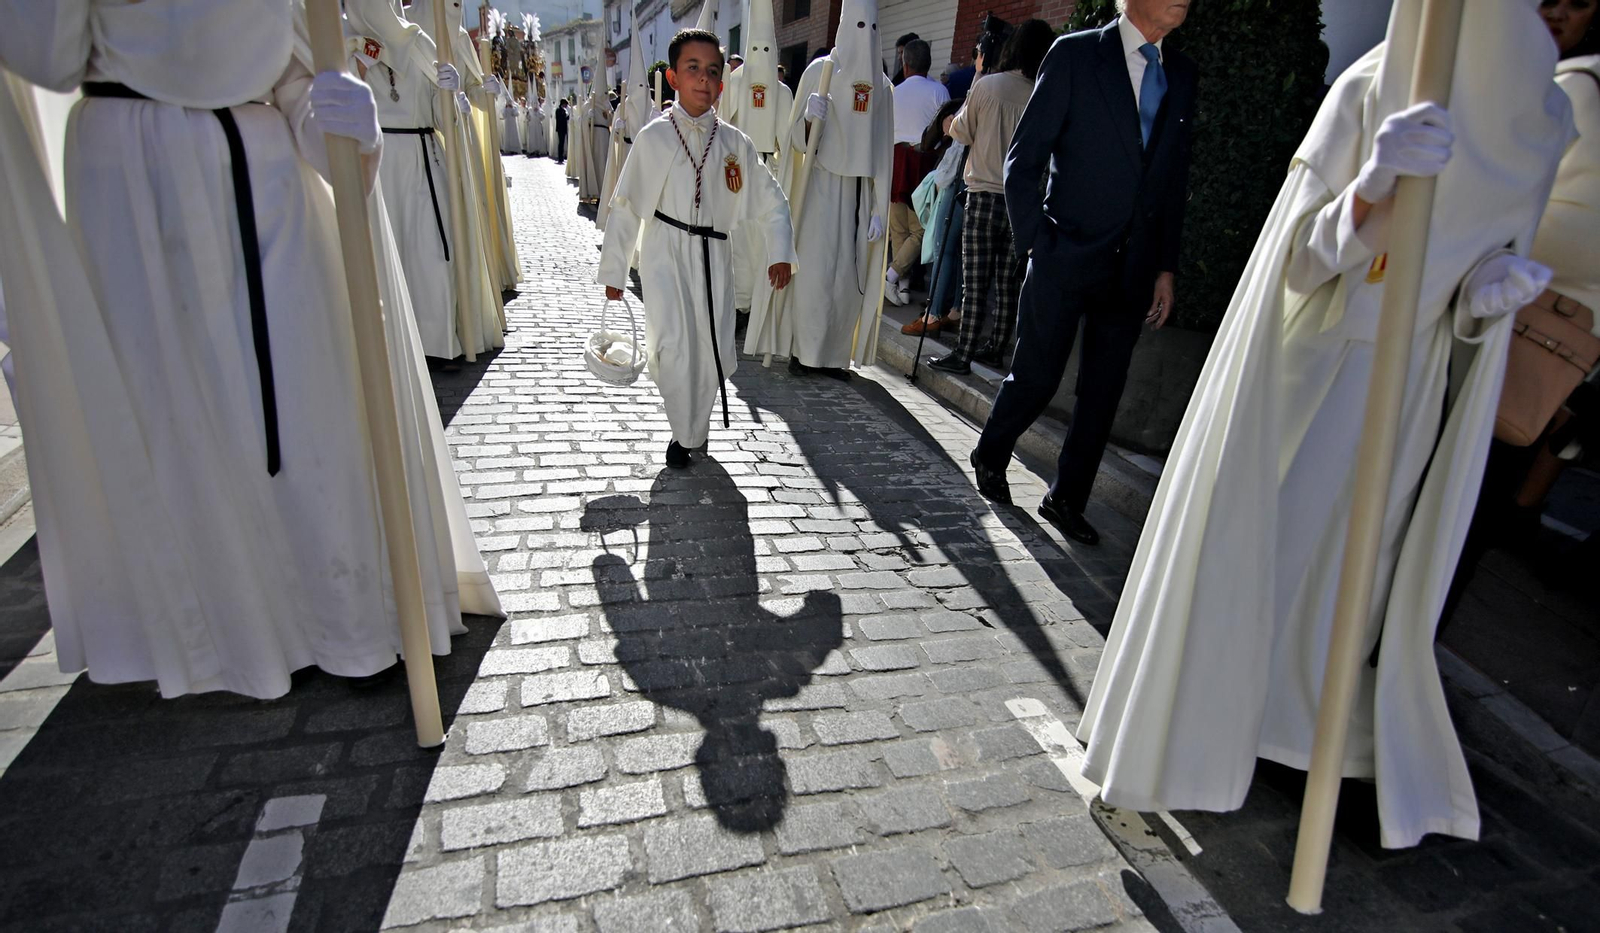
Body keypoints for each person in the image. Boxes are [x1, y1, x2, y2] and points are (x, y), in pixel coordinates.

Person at [1078, 1, 1571, 851]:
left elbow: (1472, 270)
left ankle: (1301, 740)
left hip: (1412, 396)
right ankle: (1198, 736)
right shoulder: (1372, 86)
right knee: (1265, 560)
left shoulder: (1537, 119)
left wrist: (1483, 305)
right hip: (1318, 378)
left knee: (1356, 582)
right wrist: (1366, 194)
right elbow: (1298, 261)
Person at [0, 0, 503, 699]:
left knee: (307, 412)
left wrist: (340, 127)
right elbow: (46, 51)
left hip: (262, 181)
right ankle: (231, 628)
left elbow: (297, 77)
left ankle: (347, 621)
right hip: (127, 183)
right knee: (174, 421)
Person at [969, 3, 1197, 546]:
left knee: (1102, 391)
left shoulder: (1183, 74)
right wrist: (1036, 245)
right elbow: (1023, 159)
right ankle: (991, 449)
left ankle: (1066, 497)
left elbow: (1171, 180)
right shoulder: (1075, 55)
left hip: (1134, 266)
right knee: (1038, 374)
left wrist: (1165, 267)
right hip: (1063, 251)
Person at [1442, 0, 1600, 622]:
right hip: (1517, 333)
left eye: (1579, 2)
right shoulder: (1568, 88)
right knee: (1455, 514)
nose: (1557, 11)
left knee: (1460, 516)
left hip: (1530, 344)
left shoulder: (1572, 89)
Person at [598, 29, 796, 468]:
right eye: (693, 69)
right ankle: (682, 430)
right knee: (671, 346)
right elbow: (628, 206)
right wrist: (614, 272)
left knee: (708, 348)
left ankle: (694, 430)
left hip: (713, 257)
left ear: (722, 83)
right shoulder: (653, 138)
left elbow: (771, 199)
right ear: (672, 76)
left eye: (712, 72)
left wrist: (780, 250)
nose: (703, 80)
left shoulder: (734, 144)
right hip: (664, 253)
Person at [347, 0, 503, 365]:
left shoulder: (418, 43)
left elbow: (439, 113)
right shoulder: (346, 41)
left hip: (422, 157)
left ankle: (436, 342)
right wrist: (356, 66)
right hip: (375, 160)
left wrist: (451, 97)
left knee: (433, 253)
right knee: (385, 256)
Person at [745, 0, 894, 381]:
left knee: (847, 281)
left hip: (858, 196)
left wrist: (879, 209)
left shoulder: (884, 88)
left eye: (872, 28)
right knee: (812, 275)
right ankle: (802, 351)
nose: (866, 36)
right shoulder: (819, 72)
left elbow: (882, 152)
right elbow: (797, 141)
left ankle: (834, 357)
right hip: (819, 189)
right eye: (860, 26)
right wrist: (811, 118)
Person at [929, 18, 1053, 373]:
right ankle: (996, 347)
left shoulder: (987, 86)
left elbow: (963, 133)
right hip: (1022, 201)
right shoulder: (1041, 93)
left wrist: (947, 124)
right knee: (1006, 281)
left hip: (983, 192)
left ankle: (963, 352)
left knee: (975, 277)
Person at [725, 0, 797, 331]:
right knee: (739, 243)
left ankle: (758, 306)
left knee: (763, 243)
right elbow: (725, 124)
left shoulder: (782, 92)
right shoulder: (736, 82)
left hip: (768, 168)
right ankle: (739, 306)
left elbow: (791, 138)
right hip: (737, 172)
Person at [884, 38, 949, 306]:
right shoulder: (940, 92)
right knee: (919, 229)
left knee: (900, 228)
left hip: (896, 158)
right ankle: (903, 285)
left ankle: (893, 278)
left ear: (904, 62)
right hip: (924, 160)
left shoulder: (894, 92)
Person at [901, 99, 967, 336]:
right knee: (961, 251)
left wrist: (952, 127)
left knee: (944, 247)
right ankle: (955, 311)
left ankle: (934, 314)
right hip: (987, 181)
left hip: (960, 177)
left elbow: (962, 135)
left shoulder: (983, 88)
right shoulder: (1025, 90)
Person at [597, 10, 659, 230]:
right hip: (625, 154)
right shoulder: (622, 108)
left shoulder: (653, 108)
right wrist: (617, 129)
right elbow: (615, 134)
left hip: (644, 158)